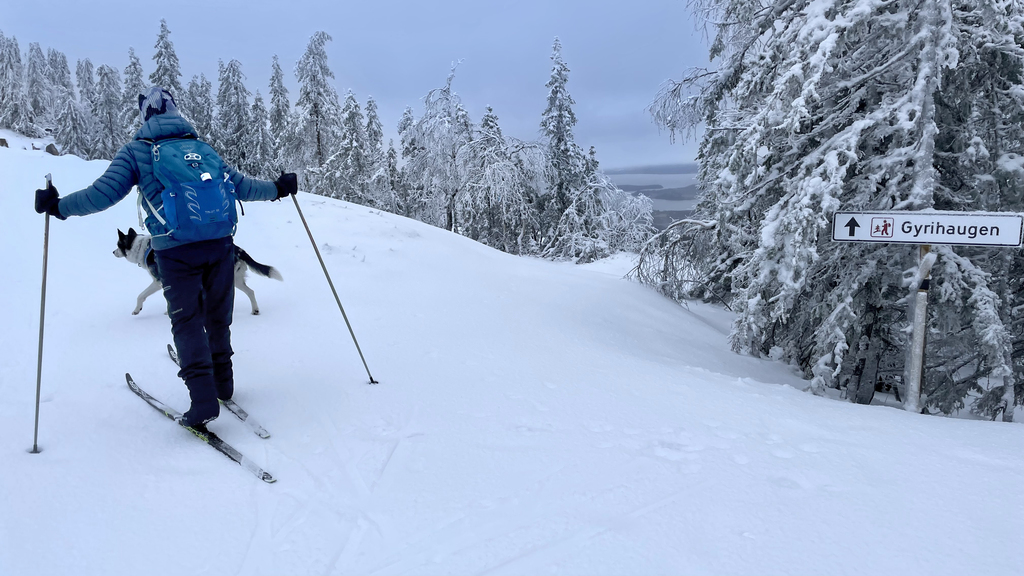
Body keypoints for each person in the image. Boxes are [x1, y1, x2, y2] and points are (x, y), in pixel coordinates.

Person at [34, 86, 298, 428]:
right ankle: (224, 383)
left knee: (187, 321)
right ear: (175, 111)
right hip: (220, 244)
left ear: (146, 115)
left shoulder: (137, 152)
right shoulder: (203, 149)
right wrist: (278, 188)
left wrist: (58, 207)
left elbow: (102, 194)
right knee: (217, 316)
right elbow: (244, 186)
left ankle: (203, 402)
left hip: (174, 251)